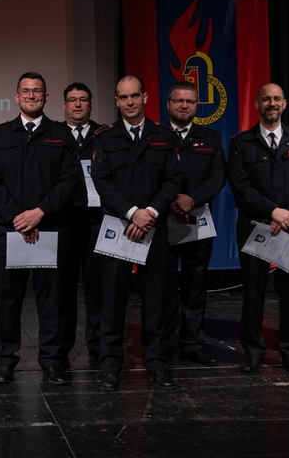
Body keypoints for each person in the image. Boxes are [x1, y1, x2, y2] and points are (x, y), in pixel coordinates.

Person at [0, 72, 79, 385]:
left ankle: (51, 360)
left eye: (37, 91)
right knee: (7, 299)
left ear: (46, 97)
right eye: (26, 91)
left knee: (51, 301)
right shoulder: (0, 135)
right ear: (17, 97)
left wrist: (39, 213)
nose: (31, 95)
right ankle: (5, 360)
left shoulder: (61, 134)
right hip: (8, 230)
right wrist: (18, 217)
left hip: (50, 229)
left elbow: (69, 180)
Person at [90, 75, 183, 391]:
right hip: (118, 228)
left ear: (145, 97)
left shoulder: (164, 136)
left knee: (155, 300)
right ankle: (110, 366)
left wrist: (150, 213)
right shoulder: (104, 137)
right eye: (123, 97)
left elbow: (173, 180)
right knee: (112, 300)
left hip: (154, 229)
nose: (129, 102)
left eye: (134, 96)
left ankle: (156, 363)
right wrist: (132, 213)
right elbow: (102, 181)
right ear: (116, 101)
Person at [227, 83, 289, 376]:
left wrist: (287, 215)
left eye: (277, 98)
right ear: (257, 104)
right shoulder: (242, 142)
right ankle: (253, 352)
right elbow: (240, 186)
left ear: (284, 103)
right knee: (253, 292)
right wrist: (272, 211)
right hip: (255, 225)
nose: (272, 103)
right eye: (266, 99)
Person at [161, 81, 226, 366]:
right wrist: (172, 201)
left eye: (189, 101)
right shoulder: (156, 135)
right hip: (162, 221)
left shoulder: (210, 138)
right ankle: (163, 345)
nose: (184, 105)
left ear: (197, 105)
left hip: (198, 221)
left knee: (195, 287)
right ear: (168, 104)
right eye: (178, 100)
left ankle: (192, 344)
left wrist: (192, 199)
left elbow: (218, 176)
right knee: (162, 287)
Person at [59, 82, 103, 370]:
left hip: (97, 221)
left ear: (90, 105)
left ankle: (98, 347)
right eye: (72, 100)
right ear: (64, 105)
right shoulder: (53, 134)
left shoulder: (105, 135)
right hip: (63, 220)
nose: (77, 104)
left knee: (97, 288)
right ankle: (62, 349)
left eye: (83, 99)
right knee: (63, 289)